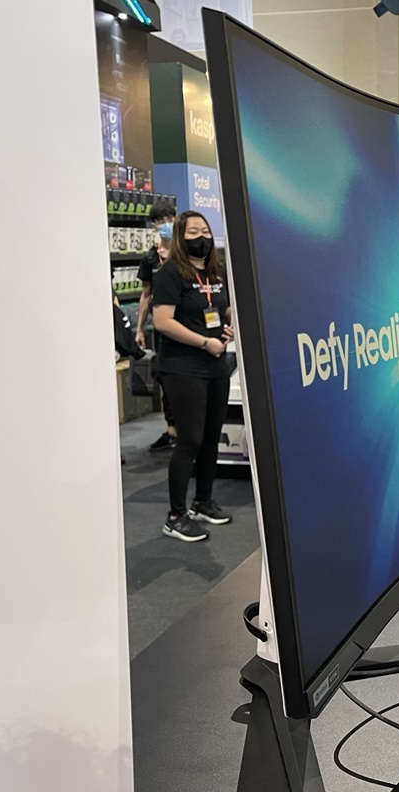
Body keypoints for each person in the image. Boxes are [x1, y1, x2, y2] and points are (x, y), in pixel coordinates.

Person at [151, 211, 234, 542]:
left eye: (205, 230)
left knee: (212, 436)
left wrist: (228, 326)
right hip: (183, 366)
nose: (201, 237)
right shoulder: (170, 274)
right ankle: (175, 516)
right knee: (190, 441)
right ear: (180, 238)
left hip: (216, 363)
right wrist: (203, 341)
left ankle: (203, 502)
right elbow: (163, 321)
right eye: (193, 232)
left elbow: (223, 308)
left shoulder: (216, 272)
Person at [137, 201, 179, 451]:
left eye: (170, 219)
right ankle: (172, 429)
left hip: (187, 324)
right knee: (165, 379)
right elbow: (145, 295)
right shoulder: (150, 259)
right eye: (161, 220)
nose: (167, 224)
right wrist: (139, 328)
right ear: (154, 225)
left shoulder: (187, 253)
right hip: (162, 330)